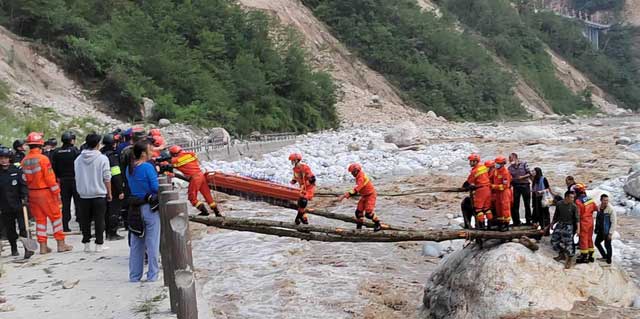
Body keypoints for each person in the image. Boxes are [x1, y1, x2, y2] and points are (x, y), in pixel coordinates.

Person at [21, 132, 73, 254]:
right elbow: (50, 179)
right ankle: (61, 244)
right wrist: (57, 193)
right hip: (46, 193)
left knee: (40, 221)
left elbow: (23, 179)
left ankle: (43, 247)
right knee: (55, 218)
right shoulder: (43, 159)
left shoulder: (24, 161)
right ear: (40, 144)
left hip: (32, 193)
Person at [126, 140, 160, 282]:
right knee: (152, 243)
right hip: (149, 209)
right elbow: (156, 187)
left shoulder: (129, 168)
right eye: (150, 150)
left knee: (136, 244)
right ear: (143, 154)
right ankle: (152, 275)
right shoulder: (147, 167)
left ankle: (134, 276)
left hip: (134, 209)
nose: (152, 153)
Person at [74, 133, 112, 253]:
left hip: (83, 194)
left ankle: (86, 244)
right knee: (99, 219)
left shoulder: (78, 159)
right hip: (98, 194)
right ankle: (99, 244)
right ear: (97, 144)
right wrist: (109, 192)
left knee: (85, 220)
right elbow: (107, 177)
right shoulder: (102, 158)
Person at [169, 145, 222, 216]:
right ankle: (217, 213)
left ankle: (204, 212)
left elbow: (170, 164)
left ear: (174, 154)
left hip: (195, 178)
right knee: (207, 195)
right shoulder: (190, 154)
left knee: (192, 197)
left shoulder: (175, 160)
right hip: (201, 175)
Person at [0, 146, 32, 258]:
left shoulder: (16, 170)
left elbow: (23, 185)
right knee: (10, 230)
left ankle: (28, 249)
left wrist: (25, 197)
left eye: (6, 158)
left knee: (24, 228)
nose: (4, 160)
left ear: (10, 158)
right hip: (5, 206)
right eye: (1, 158)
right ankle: (13, 248)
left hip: (19, 205)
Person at [337, 163, 383, 231]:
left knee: (368, 214)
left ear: (356, 171)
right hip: (364, 195)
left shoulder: (361, 178)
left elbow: (356, 190)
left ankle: (378, 224)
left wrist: (344, 196)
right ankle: (359, 227)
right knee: (358, 212)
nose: (352, 174)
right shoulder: (359, 175)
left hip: (370, 195)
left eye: (352, 172)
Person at [51, 131, 80, 232]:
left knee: (65, 204)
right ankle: (81, 224)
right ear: (71, 140)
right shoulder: (74, 151)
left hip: (62, 181)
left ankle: (65, 225)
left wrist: (57, 177)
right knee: (78, 203)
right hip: (74, 179)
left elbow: (53, 167)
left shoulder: (56, 152)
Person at [101, 134, 125, 241]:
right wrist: (120, 189)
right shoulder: (112, 156)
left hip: (101, 186)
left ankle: (107, 232)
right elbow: (116, 174)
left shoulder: (101, 154)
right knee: (114, 210)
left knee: (106, 211)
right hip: (113, 187)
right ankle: (112, 233)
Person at [462, 154, 492, 229]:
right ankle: (490, 225)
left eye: (471, 161)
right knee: (487, 209)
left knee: (478, 209)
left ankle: (481, 227)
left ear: (475, 162)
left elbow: (469, 181)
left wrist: (464, 186)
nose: (469, 163)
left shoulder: (475, 171)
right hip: (488, 189)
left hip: (481, 190)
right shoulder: (483, 167)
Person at [550, 191, 579, 269]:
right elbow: (556, 215)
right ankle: (561, 254)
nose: (573, 199)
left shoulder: (574, 206)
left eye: (573, 197)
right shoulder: (559, 204)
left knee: (568, 243)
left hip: (569, 226)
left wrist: (578, 229)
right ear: (566, 197)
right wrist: (552, 223)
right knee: (554, 241)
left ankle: (569, 258)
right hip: (560, 224)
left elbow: (577, 220)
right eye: (571, 197)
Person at [289, 153, 316, 225]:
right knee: (300, 204)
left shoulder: (305, 167)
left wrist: (308, 182)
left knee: (303, 202)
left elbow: (312, 178)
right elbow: (295, 178)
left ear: (297, 160)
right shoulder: (295, 169)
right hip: (302, 189)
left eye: (293, 160)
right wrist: (292, 182)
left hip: (309, 188)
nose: (292, 162)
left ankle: (298, 220)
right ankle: (304, 220)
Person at [574, 183, 597, 264]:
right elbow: (595, 208)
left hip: (583, 222)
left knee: (583, 239)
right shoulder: (589, 199)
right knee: (589, 238)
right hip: (591, 221)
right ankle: (591, 255)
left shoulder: (578, 201)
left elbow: (578, 214)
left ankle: (584, 256)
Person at [508, 153, 532, 226]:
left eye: (510, 158)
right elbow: (508, 178)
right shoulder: (509, 168)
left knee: (527, 204)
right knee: (515, 205)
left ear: (515, 158)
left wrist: (523, 177)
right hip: (516, 186)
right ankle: (516, 221)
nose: (509, 160)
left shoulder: (524, 164)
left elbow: (530, 173)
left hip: (525, 185)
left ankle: (528, 221)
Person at [490, 156, 512, 231]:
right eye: (496, 163)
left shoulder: (505, 173)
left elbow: (505, 186)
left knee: (505, 208)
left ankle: (506, 225)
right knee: (498, 208)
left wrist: (493, 186)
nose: (496, 164)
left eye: (498, 163)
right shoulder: (495, 171)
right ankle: (500, 223)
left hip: (504, 192)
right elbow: (490, 178)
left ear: (502, 164)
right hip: (498, 193)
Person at [595, 194, 616, 264]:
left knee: (607, 245)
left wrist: (610, 233)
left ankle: (609, 260)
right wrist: (596, 228)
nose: (606, 202)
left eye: (607, 200)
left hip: (607, 231)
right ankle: (604, 256)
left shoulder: (611, 209)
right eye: (604, 200)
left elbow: (614, 222)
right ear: (601, 200)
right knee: (597, 243)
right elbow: (597, 219)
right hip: (600, 230)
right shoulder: (598, 207)